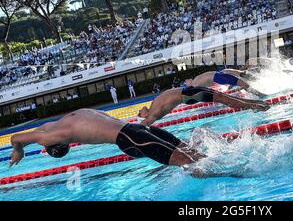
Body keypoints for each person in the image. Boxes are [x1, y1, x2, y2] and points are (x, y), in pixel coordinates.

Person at [9, 109, 204, 168]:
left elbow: (16, 137)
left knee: (188, 163)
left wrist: (19, 150)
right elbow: (27, 135)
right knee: (193, 154)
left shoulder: (51, 136)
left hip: (129, 138)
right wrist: (20, 146)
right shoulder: (59, 122)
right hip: (137, 129)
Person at [138, 86, 271, 126]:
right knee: (226, 99)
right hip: (190, 94)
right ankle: (258, 106)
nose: (139, 111)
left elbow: (144, 123)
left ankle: (258, 105)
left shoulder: (153, 109)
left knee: (227, 99)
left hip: (190, 92)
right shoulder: (153, 112)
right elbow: (145, 123)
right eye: (139, 114)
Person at [184, 70, 267, 98]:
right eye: (185, 83)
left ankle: (260, 94)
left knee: (244, 85)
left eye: (186, 82)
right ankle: (260, 94)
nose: (186, 83)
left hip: (219, 77)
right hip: (219, 77)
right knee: (244, 84)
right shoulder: (195, 82)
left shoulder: (195, 82)